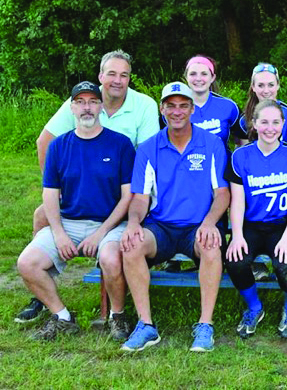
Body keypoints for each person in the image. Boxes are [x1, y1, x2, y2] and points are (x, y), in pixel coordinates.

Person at [16, 49, 159, 325]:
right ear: (101, 76)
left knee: (116, 244)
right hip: (79, 198)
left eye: (124, 75)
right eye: (112, 74)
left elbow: (149, 159)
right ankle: (45, 298)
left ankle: (117, 313)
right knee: (42, 215)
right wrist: (59, 187)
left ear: (130, 79)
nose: (117, 80)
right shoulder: (81, 103)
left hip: (124, 193)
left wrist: (138, 202)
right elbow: (43, 142)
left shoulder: (142, 107)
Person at [120, 82, 230, 352]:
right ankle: (146, 325)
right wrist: (133, 223)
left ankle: (205, 325)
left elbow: (223, 194)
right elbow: (140, 198)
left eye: (183, 105)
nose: (177, 111)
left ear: (192, 109)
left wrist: (209, 222)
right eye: (171, 105)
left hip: (197, 225)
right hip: (161, 227)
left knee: (212, 246)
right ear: (162, 109)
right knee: (131, 244)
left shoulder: (211, 143)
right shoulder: (149, 148)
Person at [225, 99, 287, 339]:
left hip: (282, 226)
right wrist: (237, 236)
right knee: (235, 259)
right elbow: (237, 201)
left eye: (275, 122)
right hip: (252, 225)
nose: (270, 128)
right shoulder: (241, 156)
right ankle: (254, 307)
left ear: (283, 124)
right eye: (264, 122)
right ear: (254, 124)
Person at [234, 63, 287, 148]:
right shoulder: (243, 120)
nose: (266, 91)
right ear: (253, 87)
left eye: (271, 85)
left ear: (278, 85)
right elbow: (244, 157)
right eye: (260, 85)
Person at [176, 55, 240, 150]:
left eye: (204, 74)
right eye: (193, 74)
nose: (198, 78)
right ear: (186, 77)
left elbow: (243, 141)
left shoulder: (229, 106)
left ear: (212, 77)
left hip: (221, 164)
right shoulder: (173, 109)